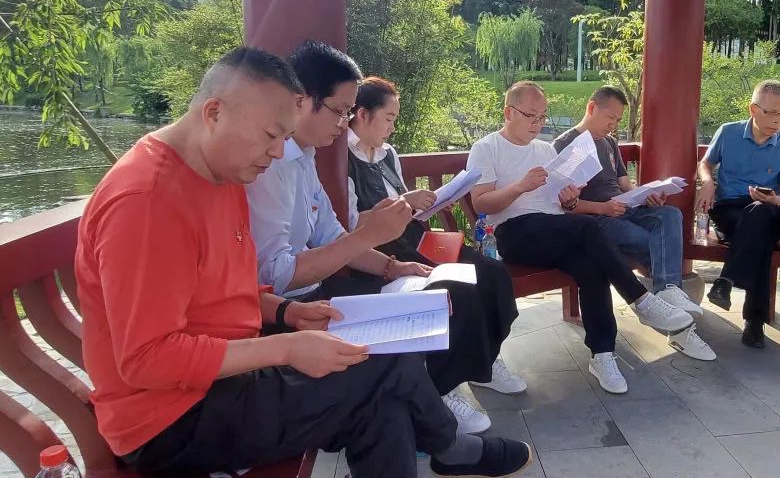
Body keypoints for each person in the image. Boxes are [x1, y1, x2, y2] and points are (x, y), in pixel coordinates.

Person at [75, 46, 531, 478]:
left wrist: (288, 312)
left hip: (230, 373)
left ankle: (449, 448)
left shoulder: (219, 173)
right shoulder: (148, 201)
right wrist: (287, 348)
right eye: (271, 136)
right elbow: (146, 361)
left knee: (381, 388)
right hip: (170, 419)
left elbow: (223, 289)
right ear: (214, 113)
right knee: (384, 368)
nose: (278, 153)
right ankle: (449, 446)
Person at [246, 42, 514, 435]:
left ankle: (441, 398)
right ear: (303, 100)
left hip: (323, 288)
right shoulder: (270, 167)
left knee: (449, 289)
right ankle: (435, 413)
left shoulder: (304, 159)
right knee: (431, 309)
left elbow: (332, 233)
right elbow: (278, 275)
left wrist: (392, 267)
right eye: (340, 111)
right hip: (293, 306)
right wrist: (369, 236)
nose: (344, 123)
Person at [466, 81, 693, 395]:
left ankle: (602, 354)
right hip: (511, 232)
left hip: (554, 229)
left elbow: (561, 205)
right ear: (509, 112)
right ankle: (641, 299)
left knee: (592, 267)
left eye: (542, 117)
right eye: (531, 116)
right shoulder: (487, 148)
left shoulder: (545, 149)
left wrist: (570, 199)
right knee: (587, 227)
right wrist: (520, 186)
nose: (537, 124)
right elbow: (481, 203)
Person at [346, 76, 525, 428]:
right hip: (383, 250)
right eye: (389, 118)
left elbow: (407, 209)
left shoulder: (387, 154)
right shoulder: (339, 159)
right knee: (458, 291)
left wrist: (426, 203)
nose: (393, 128)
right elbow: (349, 223)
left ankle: (485, 362)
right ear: (362, 115)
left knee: (492, 274)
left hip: (417, 238)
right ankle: (442, 389)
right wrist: (405, 201)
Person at [553, 86, 715, 361]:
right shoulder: (565, 146)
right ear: (591, 108)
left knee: (670, 215)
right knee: (654, 244)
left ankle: (668, 293)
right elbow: (562, 205)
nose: (613, 125)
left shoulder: (609, 143)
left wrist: (647, 194)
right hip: (595, 221)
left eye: (618, 120)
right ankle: (680, 327)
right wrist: (603, 208)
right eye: (610, 118)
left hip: (623, 208)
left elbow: (624, 185)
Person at [696, 80, 780, 348]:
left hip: (771, 209)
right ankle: (754, 321)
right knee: (759, 240)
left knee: (761, 215)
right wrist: (707, 182)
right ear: (753, 109)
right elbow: (706, 163)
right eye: (772, 113)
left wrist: (775, 199)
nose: (778, 120)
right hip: (731, 209)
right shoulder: (728, 132)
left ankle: (727, 280)